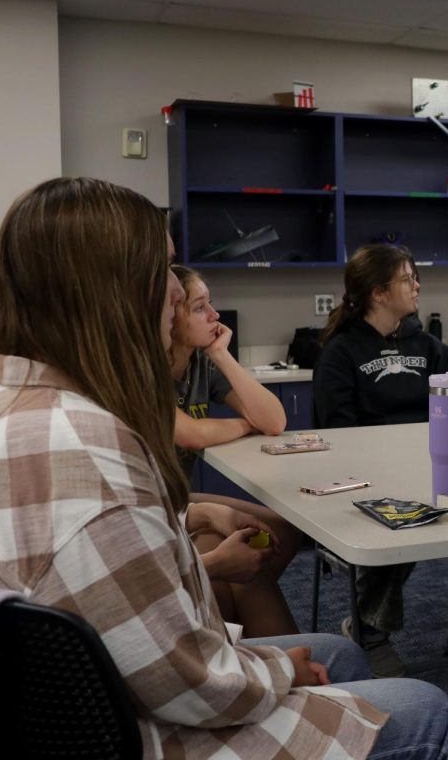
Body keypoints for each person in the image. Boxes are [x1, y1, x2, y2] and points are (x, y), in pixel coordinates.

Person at [0, 177, 448, 760]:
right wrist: (276, 672)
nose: (176, 290)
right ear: (111, 289)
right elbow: (190, 685)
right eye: (164, 269)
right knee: (428, 708)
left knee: (339, 654)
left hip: (70, 707)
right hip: (144, 732)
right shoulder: (83, 447)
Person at [313, 244, 448, 678]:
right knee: (403, 514)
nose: (417, 286)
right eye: (407, 278)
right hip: (374, 478)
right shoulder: (341, 352)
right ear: (378, 292)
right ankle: (370, 629)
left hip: (441, 464)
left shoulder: (429, 347)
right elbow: (341, 433)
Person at [170, 263, 303, 637]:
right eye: (199, 308)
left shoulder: (200, 363)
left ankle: (226, 614)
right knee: (233, 542)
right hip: (162, 501)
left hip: (180, 497)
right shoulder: (145, 369)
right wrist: (245, 424)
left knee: (282, 531)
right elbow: (192, 435)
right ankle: (225, 615)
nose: (214, 316)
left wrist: (221, 355)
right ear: (169, 315)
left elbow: (274, 421)